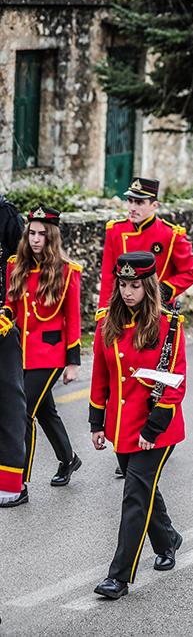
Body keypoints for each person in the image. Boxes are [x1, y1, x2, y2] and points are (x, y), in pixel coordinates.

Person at [89, 252, 186, 599]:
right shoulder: (107, 322)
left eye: (135, 286)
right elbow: (101, 376)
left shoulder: (167, 325)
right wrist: (96, 422)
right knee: (143, 491)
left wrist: (151, 430)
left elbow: (176, 385)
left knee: (134, 497)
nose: (128, 292)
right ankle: (168, 538)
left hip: (156, 429)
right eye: (123, 285)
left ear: (148, 286)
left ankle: (119, 577)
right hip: (120, 426)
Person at [5, 207, 82, 493]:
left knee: (22, 412)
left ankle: (18, 481)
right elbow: (11, 305)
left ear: (52, 237)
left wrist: (72, 362)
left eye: (43, 235)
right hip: (21, 351)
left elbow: (73, 318)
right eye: (32, 233)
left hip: (51, 353)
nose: (36, 239)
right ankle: (68, 459)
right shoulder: (16, 265)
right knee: (46, 410)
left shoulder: (67, 271)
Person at [99, 177, 193, 308]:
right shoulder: (115, 230)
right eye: (130, 201)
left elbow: (191, 272)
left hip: (156, 308)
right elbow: (108, 278)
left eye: (139, 203)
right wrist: (104, 314)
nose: (132, 208)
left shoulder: (171, 234)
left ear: (154, 206)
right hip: (122, 309)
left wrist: (160, 292)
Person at [0, 190, 26, 507]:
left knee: (8, 399)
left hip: (2, 323)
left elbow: (24, 268)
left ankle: (10, 483)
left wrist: (10, 310)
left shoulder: (6, 215)